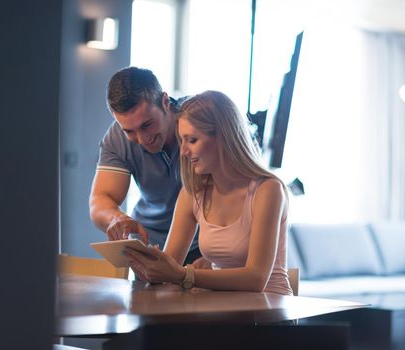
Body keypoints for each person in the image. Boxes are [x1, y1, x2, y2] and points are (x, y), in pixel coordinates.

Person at [124, 90, 293, 295]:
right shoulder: (193, 193)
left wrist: (184, 275)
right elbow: (168, 269)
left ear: (223, 137)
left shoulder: (268, 190)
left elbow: (255, 279)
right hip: (222, 311)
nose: (184, 152)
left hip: (269, 315)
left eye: (192, 140)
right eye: (182, 141)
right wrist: (149, 264)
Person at [89, 66, 202, 265]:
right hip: (151, 246)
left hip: (203, 246)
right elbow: (100, 199)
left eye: (146, 125)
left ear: (166, 102)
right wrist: (115, 218)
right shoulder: (116, 138)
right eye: (129, 131)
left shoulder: (198, 121)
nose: (142, 139)